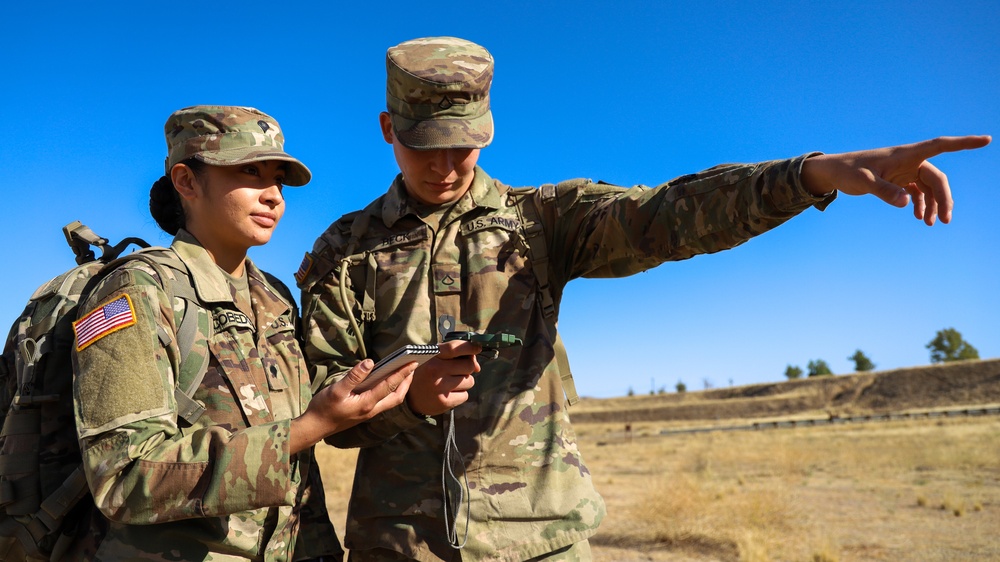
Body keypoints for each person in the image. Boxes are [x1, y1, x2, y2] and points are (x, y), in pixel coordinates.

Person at [295, 37, 990, 562]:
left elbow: (669, 216)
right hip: (400, 547)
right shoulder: (342, 251)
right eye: (425, 147)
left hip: (542, 542)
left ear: (490, 130)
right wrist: (408, 400)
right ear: (389, 129)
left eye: (464, 146)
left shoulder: (543, 220)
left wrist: (811, 174)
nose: (446, 166)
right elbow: (325, 402)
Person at [69, 105, 419, 561]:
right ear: (186, 181)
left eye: (278, 178)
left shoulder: (274, 298)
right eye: (250, 172)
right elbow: (124, 476)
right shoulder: (137, 290)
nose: (274, 195)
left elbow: (304, 470)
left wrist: (413, 397)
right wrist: (306, 428)